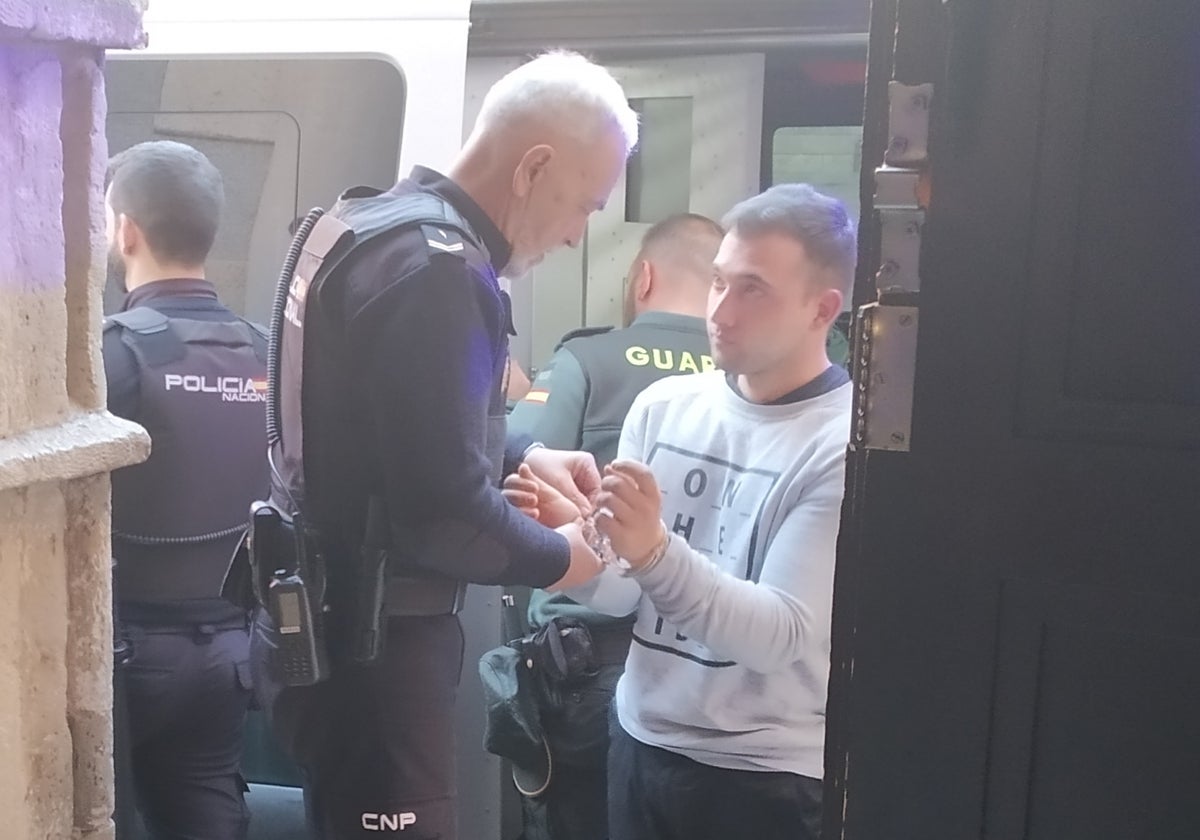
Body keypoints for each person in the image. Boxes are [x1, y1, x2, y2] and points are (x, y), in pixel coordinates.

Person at [248, 51, 638, 840]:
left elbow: (387, 430)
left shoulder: (361, 226)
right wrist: (569, 556)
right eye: (584, 205)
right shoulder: (440, 272)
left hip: (321, 625)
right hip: (378, 651)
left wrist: (523, 455)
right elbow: (444, 516)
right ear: (534, 166)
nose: (577, 234)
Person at [518, 183, 855, 840]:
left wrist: (650, 549)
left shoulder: (841, 446)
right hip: (641, 742)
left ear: (824, 308)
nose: (721, 311)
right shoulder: (667, 407)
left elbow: (776, 636)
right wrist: (566, 542)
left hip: (764, 777)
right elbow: (619, 593)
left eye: (752, 288)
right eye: (719, 282)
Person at [505, 213, 724, 840]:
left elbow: (524, 474)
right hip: (710, 672)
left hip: (594, 661)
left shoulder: (586, 359)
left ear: (644, 277)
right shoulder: (754, 377)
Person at [103, 141, 267, 839]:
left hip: (128, 655)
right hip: (233, 656)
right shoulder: (265, 352)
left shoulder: (114, 352)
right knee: (208, 814)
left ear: (125, 230)